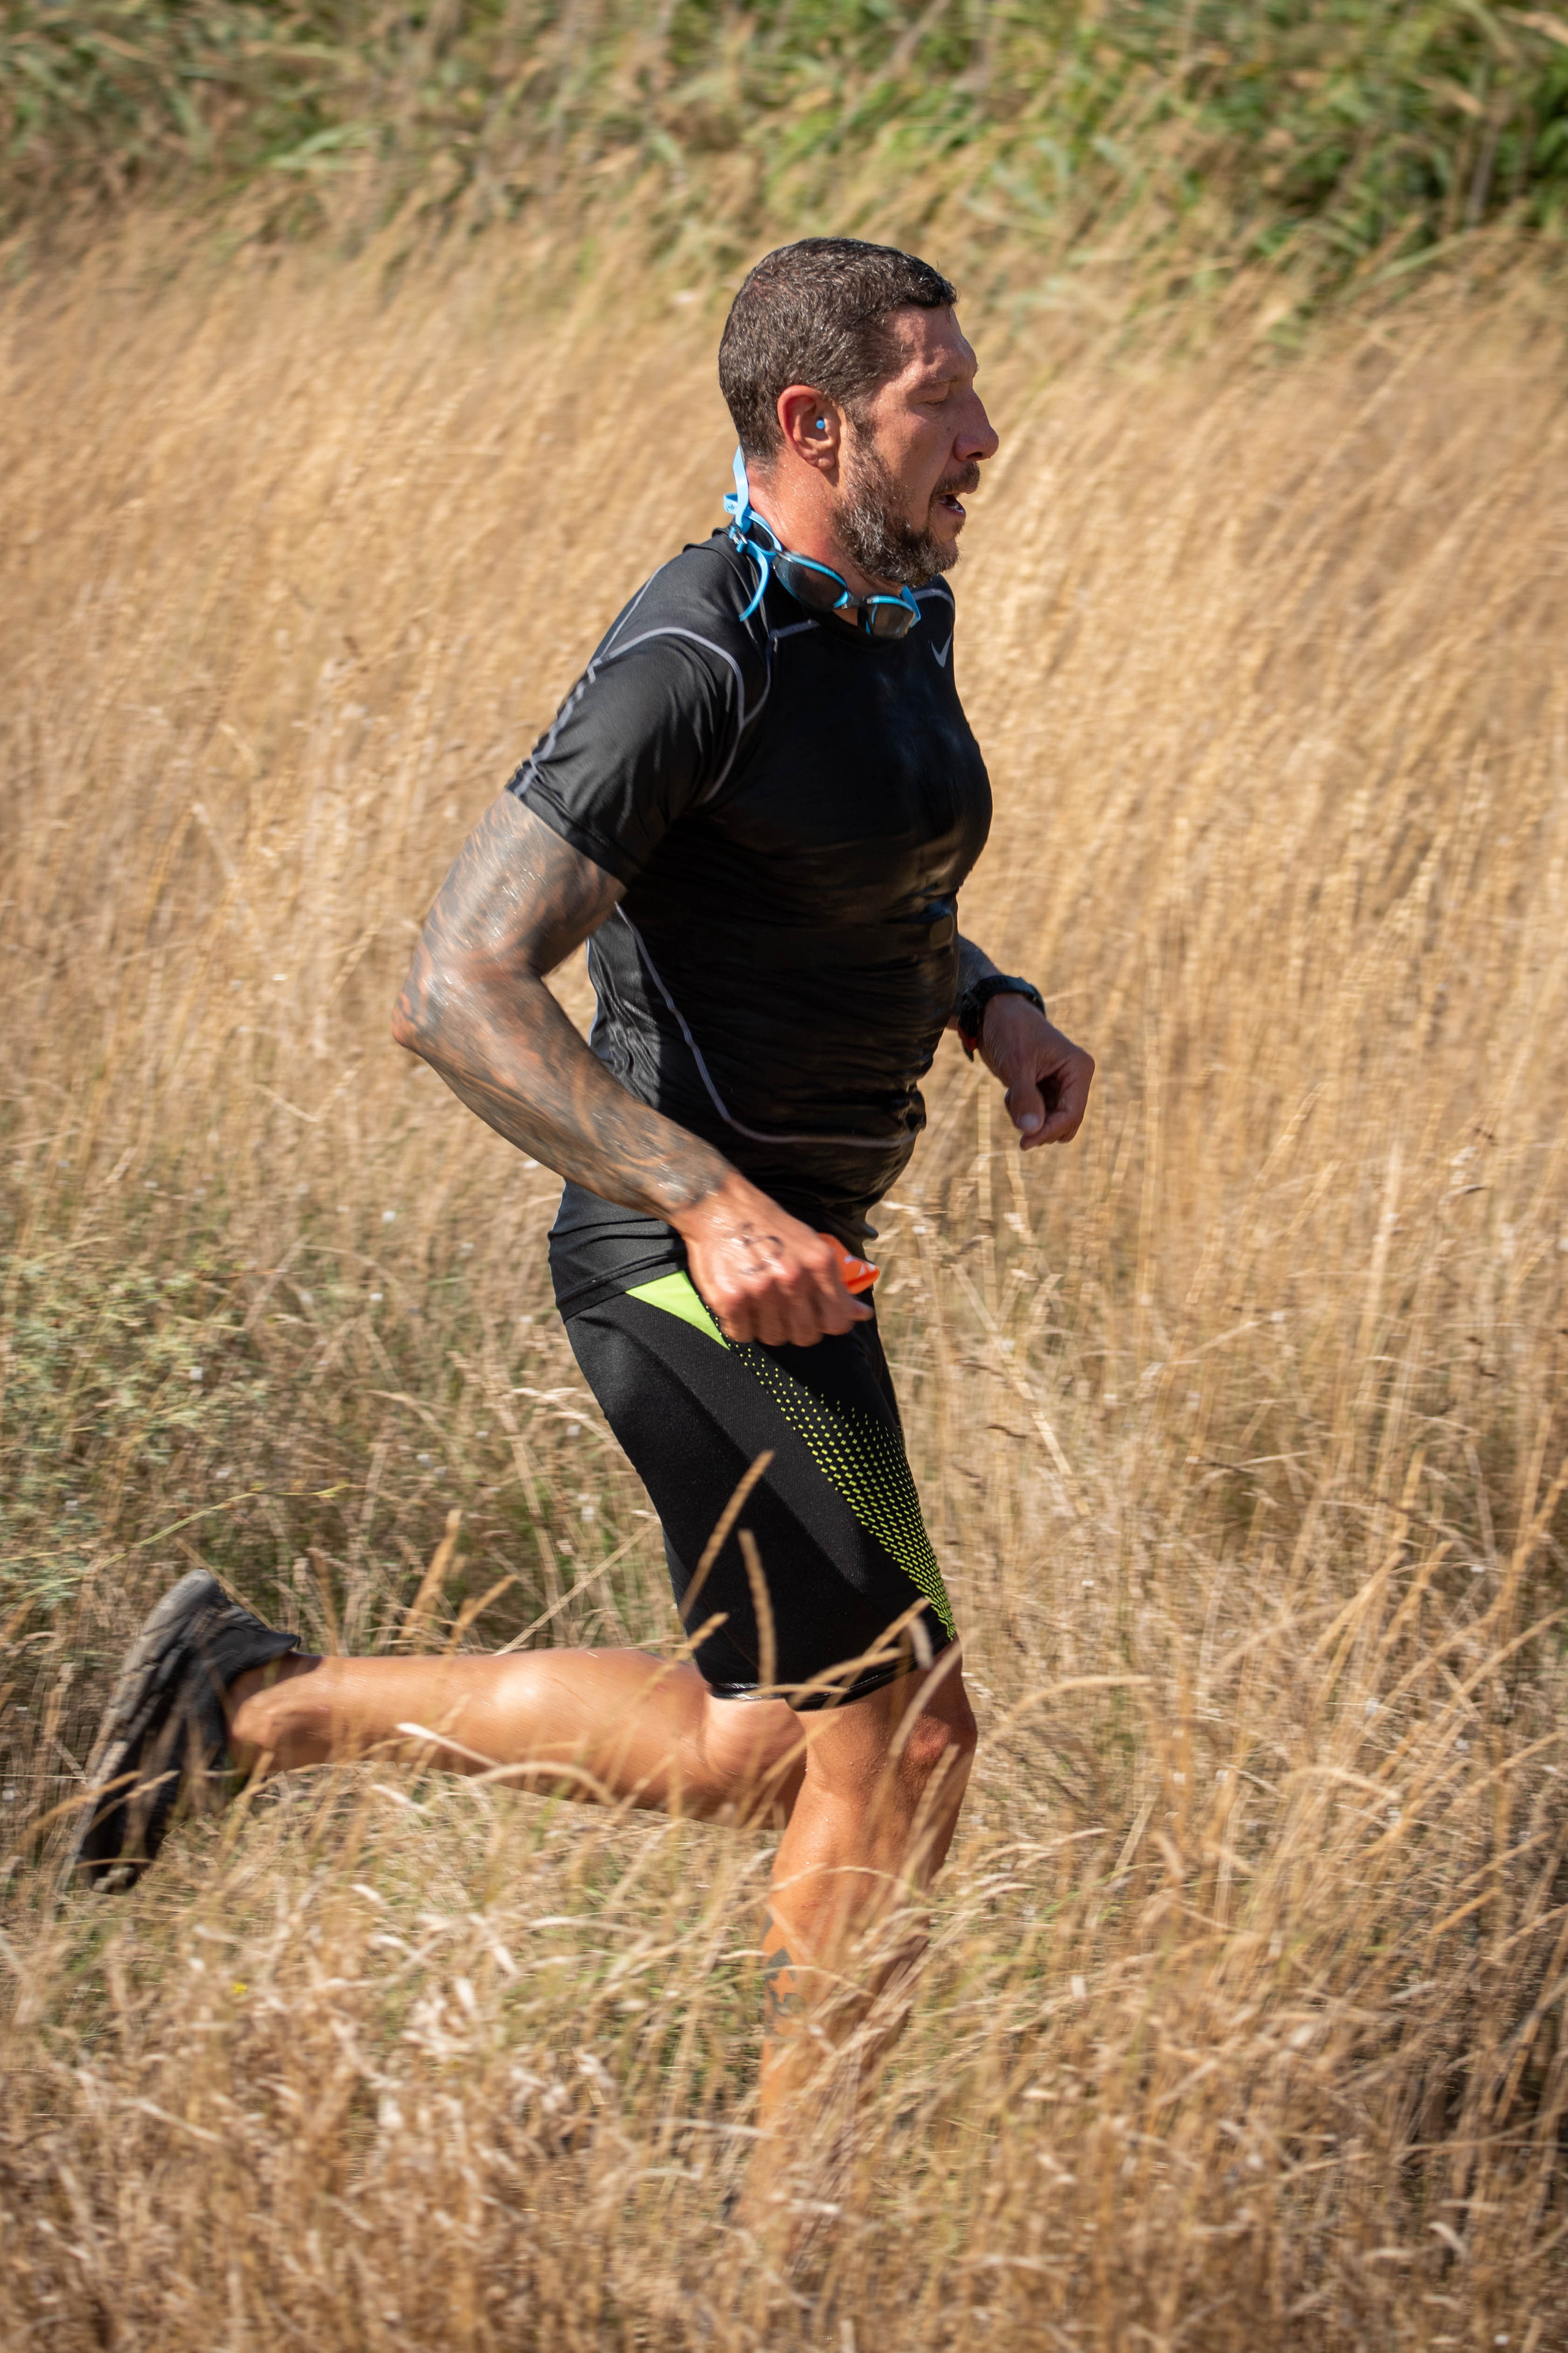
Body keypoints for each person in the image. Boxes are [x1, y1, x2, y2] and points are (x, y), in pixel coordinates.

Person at [70, 238, 1095, 2128]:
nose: (986, 432)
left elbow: (843, 876)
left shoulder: (886, 615)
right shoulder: (688, 657)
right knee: (914, 1738)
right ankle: (799, 2253)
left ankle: (247, 1704)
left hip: (802, 1258)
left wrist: (987, 996)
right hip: (691, 1266)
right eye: (938, 400)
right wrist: (708, 1204)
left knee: (749, 1745)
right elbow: (454, 988)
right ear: (815, 423)